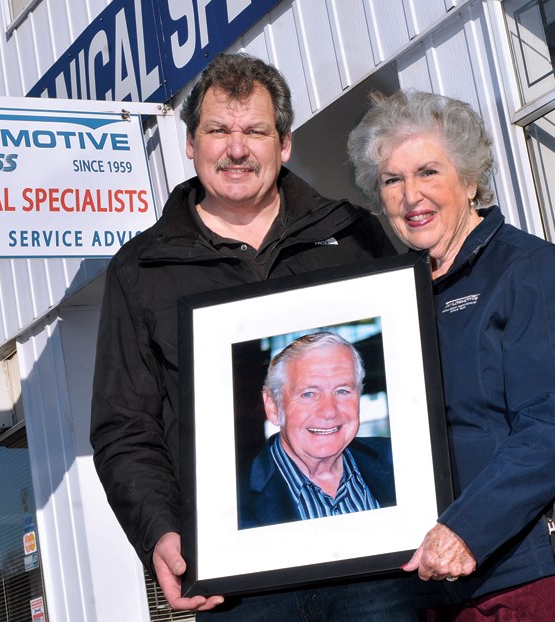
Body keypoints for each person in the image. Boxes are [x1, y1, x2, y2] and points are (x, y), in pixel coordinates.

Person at [89, 54, 418, 620]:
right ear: (190, 146)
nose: (236, 149)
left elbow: (417, 369)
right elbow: (125, 428)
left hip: (378, 570)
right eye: (218, 130)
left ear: (284, 143)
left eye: (255, 131)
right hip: (240, 585)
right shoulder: (140, 269)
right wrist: (161, 532)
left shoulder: (353, 233)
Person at [347, 89, 555, 620]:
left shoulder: (526, 269)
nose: (411, 195)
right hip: (452, 581)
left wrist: (467, 527)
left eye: (429, 172)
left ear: (470, 180)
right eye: (393, 180)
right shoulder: (396, 301)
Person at [239, 331, 396, 529]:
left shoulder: (401, 459)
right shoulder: (232, 504)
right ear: (273, 407)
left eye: (342, 391)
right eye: (308, 394)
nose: (329, 412)